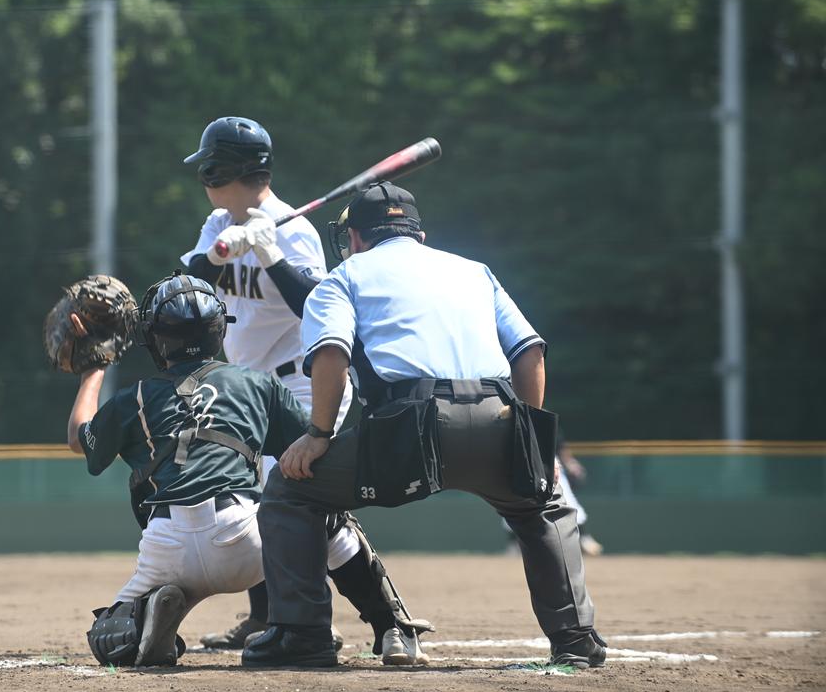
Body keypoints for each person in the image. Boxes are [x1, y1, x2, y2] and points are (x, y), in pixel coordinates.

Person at [242, 182, 606, 670]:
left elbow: (330, 354)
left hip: (407, 426)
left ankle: (302, 634)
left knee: (291, 489)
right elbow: (530, 352)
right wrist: (530, 440)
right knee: (543, 507)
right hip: (497, 414)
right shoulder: (475, 270)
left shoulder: (344, 275)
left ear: (355, 237)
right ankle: (576, 639)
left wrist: (318, 435)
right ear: (420, 235)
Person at [179, 117, 430, 662]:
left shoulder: (292, 231)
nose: (202, 179)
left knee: (302, 498)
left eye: (207, 169)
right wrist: (216, 256)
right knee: (258, 499)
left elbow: (318, 309)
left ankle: (389, 620)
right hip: (248, 388)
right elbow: (191, 294)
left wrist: (269, 254)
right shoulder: (218, 221)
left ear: (223, 170)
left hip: (300, 381)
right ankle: (266, 618)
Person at [66, 272, 310, 667]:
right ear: (219, 329)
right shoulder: (255, 383)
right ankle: (336, 623)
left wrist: (93, 369)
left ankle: (150, 614)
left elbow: (79, 437)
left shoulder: (136, 396)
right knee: (322, 513)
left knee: (110, 638)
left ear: (155, 339)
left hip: (168, 544)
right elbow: (311, 450)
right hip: (247, 543)